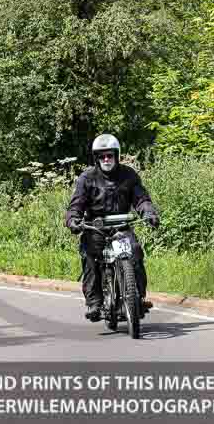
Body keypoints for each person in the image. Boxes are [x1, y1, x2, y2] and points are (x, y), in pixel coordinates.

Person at [64, 134, 160, 322]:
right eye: (102, 156)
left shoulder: (129, 175)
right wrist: (73, 219)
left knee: (135, 252)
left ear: (117, 155)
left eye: (110, 155)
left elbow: (141, 199)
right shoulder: (87, 177)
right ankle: (94, 302)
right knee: (90, 257)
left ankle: (138, 297)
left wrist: (149, 213)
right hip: (95, 228)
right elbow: (76, 204)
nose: (106, 159)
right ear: (96, 158)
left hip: (122, 226)